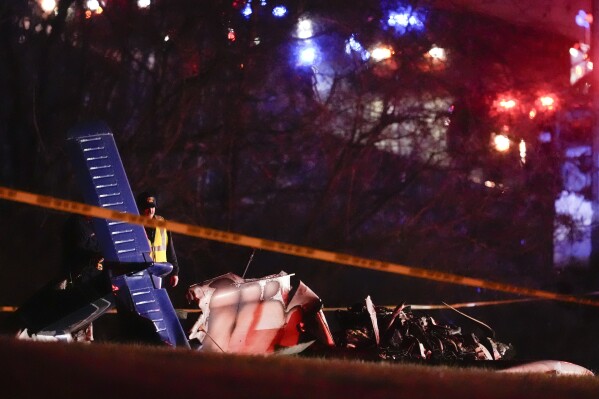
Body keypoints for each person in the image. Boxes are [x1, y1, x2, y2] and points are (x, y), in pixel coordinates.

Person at [136, 191, 180, 288]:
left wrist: (175, 272)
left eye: (152, 207)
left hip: (160, 274)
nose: (151, 210)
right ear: (140, 208)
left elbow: (170, 250)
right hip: (140, 274)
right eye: (147, 208)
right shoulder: (134, 226)